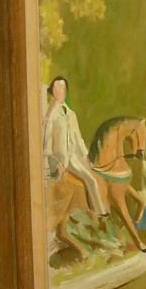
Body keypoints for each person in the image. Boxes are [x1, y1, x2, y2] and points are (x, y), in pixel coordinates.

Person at [42, 76, 108, 216]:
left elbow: (78, 139)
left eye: (63, 88)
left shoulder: (71, 114)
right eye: (57, 88)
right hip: (58, 160)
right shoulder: (50, 115)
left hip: (71, 159)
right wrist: (56, 163)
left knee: (91, 179)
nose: (60, 91)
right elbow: (46, 144)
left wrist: (86, 157)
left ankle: (99, 212)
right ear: (52, 91)